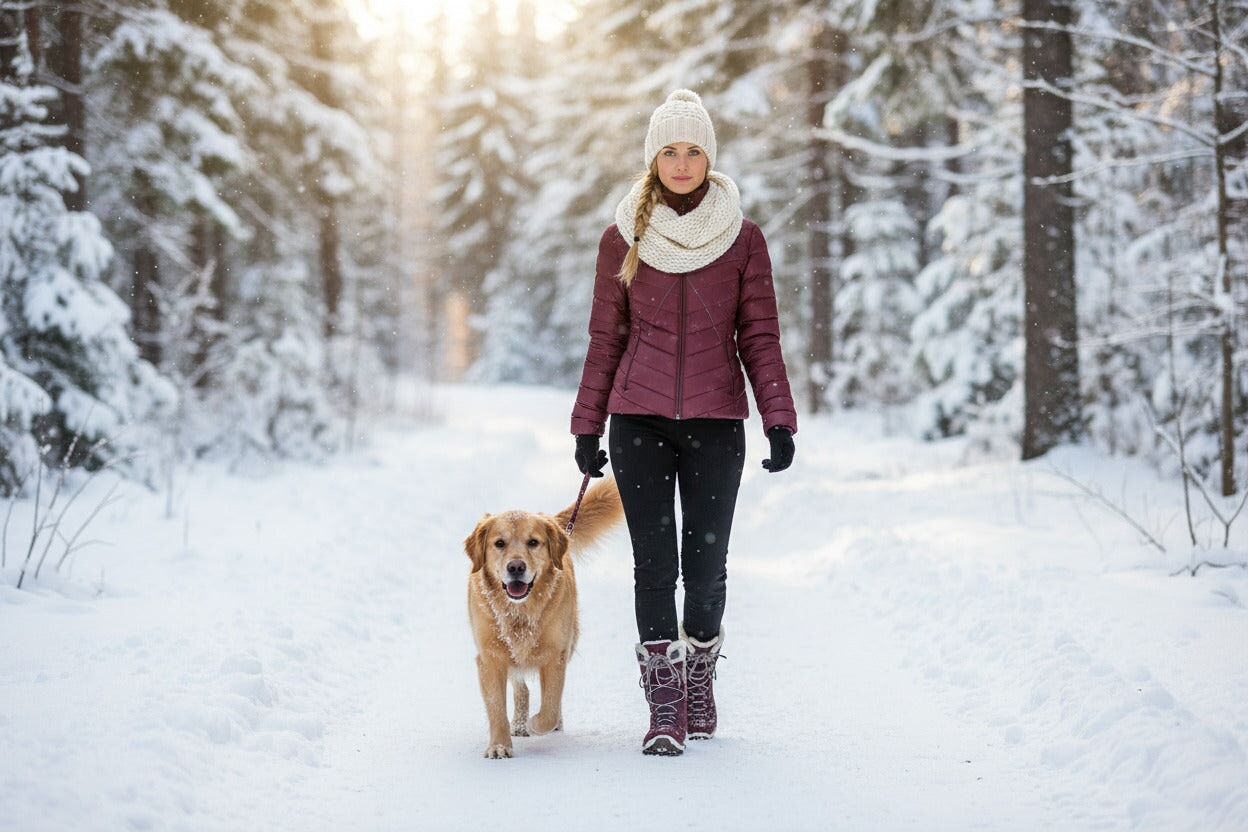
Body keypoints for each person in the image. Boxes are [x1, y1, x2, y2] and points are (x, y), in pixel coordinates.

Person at [570, 89, 798, 756]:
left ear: (709, 157)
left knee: (704, 571)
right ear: (653, 157)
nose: (680, 162)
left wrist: (778, 418)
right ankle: (663, 700)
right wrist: (588, 426)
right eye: (669, 150)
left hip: (716, 422)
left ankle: (700, 673)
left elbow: (761, 338)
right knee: (653, 565)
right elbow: (604, 341)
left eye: (693, 149)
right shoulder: (622, 237)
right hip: (637, 421)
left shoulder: (743, 239)